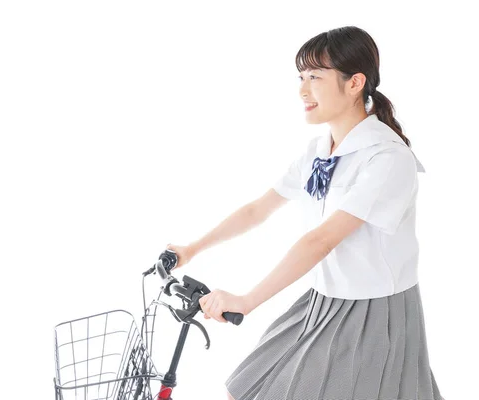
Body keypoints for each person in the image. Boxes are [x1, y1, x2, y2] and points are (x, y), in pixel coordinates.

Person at [167, 26, 445, 400]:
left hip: (373, 314)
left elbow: (321, 240)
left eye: (315, 77)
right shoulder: (320, 150)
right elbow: (257, 210)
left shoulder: (387, 158)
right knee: (249, 387)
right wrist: (192, 248)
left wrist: (247, 300)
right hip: (321, 301)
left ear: (354, 83)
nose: (303, 90)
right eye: (301, 77)